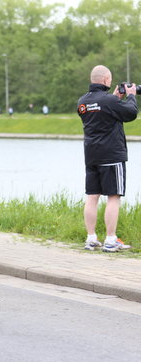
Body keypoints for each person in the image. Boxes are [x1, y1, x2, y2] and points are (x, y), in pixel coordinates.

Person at [77, 65, 137, 252]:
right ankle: (111, 240)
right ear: (105, 80)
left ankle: (91, 238)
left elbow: (102, 112)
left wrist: (115, 100)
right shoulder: (109, 100)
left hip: (91, 155)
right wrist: (131, 95)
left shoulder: (82, 102)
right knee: (113, 196)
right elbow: (131, 113)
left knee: (92, 196)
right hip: (111, 155)